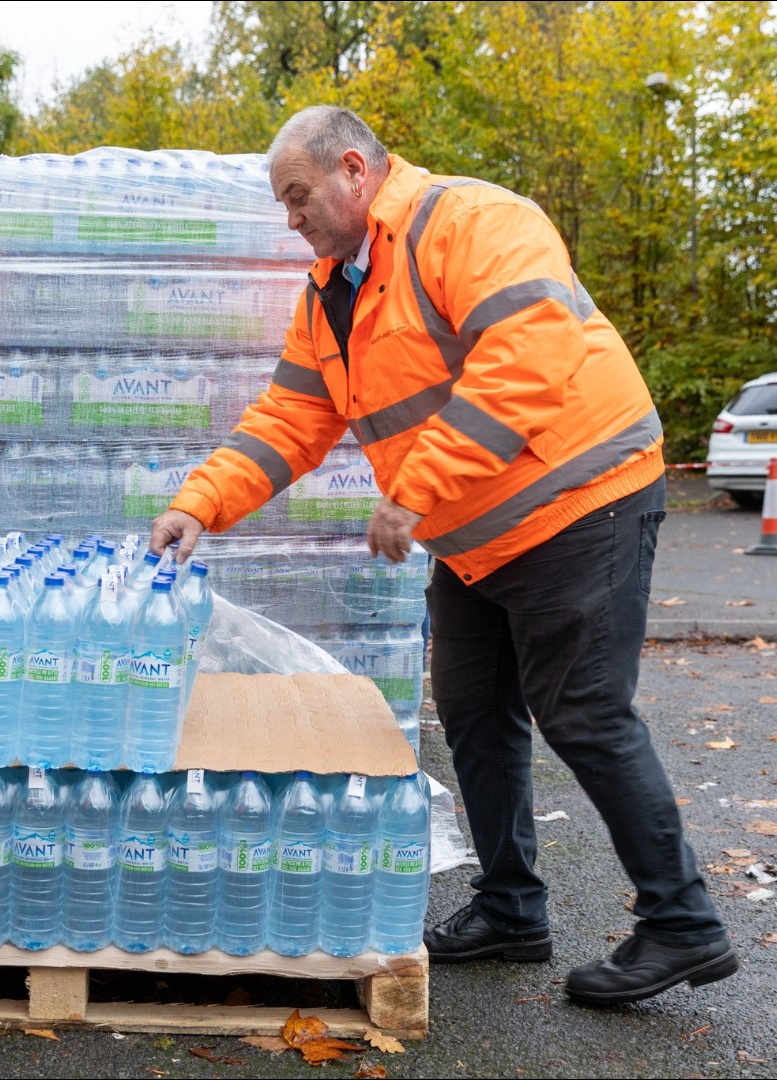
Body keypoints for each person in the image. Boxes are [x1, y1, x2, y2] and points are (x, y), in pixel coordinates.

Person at [150, 106, 738, 1006]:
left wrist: (416, 488)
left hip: (580, 503)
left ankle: (683, 923)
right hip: (476, 539)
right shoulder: (330, 294)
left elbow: (525, 357)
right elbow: (290, 419)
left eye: (299, 196)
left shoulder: (471, 222)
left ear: (354, 169)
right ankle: (511, 908)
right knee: (473, 712)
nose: (292, 218)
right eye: (284, 204)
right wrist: (199, 503)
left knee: (583, 711)